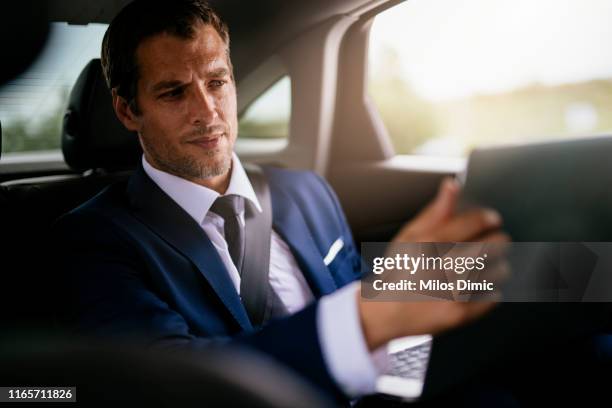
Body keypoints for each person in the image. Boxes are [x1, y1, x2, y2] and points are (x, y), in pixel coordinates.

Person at [54, 0, 507, 402]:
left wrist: (547, 275)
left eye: (217, 82)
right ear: (128, 110)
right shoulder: (95, 238)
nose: (208, 112)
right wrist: (367, 315)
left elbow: (369, 298)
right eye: (174, 92)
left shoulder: (306, 192)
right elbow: (168, 379)